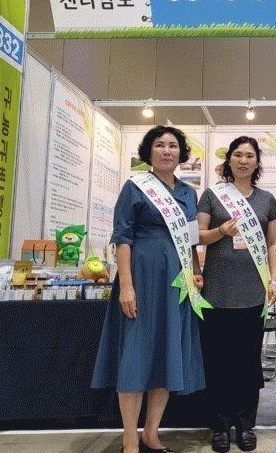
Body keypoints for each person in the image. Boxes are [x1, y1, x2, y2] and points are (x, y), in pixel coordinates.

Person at [92, 126, 206, 453]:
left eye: (173, 145)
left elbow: (190, 240)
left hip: (176, 282)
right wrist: (126, 287)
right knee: (136, 356)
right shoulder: (135, 187)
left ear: (181, 154)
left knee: (166, 355)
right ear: (149, 152)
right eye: (159, 145)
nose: (167, 150)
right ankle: (130, 438)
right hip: (141, 278)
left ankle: (151, 434)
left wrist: (196, 272)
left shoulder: (188, 192)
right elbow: (122, 238)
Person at [197, 136, 276, 453]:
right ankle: (219, 426)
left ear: (257, 162)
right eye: (237, 155)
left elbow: (273, 243)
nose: (243, 160)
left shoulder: (266, 199)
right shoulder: (212, 195)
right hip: (216, 293)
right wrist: (221, 231)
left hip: (253, 293)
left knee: (248, 363)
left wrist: (273, 280)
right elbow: (197, 236)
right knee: (217, 362)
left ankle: (245, 424)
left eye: (249, 155)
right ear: (229, 160)